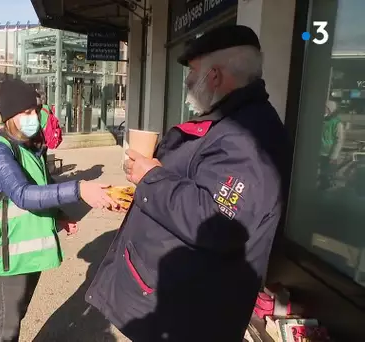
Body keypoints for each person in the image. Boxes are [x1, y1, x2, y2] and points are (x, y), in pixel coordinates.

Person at [85, 25, 291, 341]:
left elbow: (217, 220)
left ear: (215, 76)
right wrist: (148, 184)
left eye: (193, 72)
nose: (187, 81)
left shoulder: (246, 136)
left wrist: (150, 179)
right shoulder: (230, 123)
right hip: (175, 305)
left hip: (189, 317)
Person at [0, 79, 119, 342]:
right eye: (27, 112)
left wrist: (59, 215)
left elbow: (42, 183)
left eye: (35, 110)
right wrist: (79, 189)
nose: (35, 117)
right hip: (7, 254)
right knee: (6, 325)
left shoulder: (27, 145)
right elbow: (22, 194)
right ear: (10, 115)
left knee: (16, 315)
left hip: (23, 251)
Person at [319, 99, 344, 190]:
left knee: (327, 177)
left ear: (330, 110)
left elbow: (339, 141)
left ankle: (325, 192)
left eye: (325, 108)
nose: (323, 110)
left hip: (329, 155)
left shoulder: (337, 123)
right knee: (321, 175)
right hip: (320, 153)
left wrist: (333, 156)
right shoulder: (322, 120)